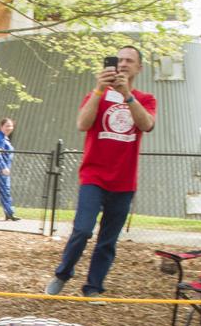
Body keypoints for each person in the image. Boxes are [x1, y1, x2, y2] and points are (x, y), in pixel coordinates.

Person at [45, 46, 156, 298]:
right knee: (83, 229)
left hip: (124, 181)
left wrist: (127, 94)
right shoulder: (96, 94)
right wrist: (99, 90)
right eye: (120, 60)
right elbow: (82, 124)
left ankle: (93, 287)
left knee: (108, 239)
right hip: (94, 177)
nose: (124, 64)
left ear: (139, 68)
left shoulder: (145, 99)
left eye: (130, 61)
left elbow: (147, 124)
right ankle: (63, 273)